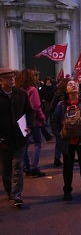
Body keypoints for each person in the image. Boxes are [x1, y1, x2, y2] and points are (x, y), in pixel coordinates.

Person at [51, 79, 81, 201]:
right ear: (66, 89)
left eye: (75, 84)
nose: (73, 85)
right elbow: (54, 122)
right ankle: (67, 190)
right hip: (67, 142)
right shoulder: (61, 105)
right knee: (67, 167)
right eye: (70, 84)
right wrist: (58, 135)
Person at [0, 68, 35, 206]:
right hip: (3, 140)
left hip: (20, 137)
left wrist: (30, 126)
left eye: (13, 77)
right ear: (1, 81)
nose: (12, 79)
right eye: (8, 78)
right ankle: (9, 191)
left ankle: (16, 195)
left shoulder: (21, 93)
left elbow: (30, 111)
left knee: (18, 166)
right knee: (5, 169)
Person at [16, 69, 47, 177]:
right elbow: (35, 107)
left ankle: (26, 167)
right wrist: (43, 117)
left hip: (22, 120)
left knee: (24, 145)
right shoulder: (32, 89)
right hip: (34, 121)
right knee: (37, 143)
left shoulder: (18, 90)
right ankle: (34, 167)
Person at [50, 78, 70, 167]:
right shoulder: (61, 102)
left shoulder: (57, 92)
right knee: (61, 140)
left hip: (60, 119)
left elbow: (52, 104)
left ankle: (57, 158)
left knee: (59, 142)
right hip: (62, 119)